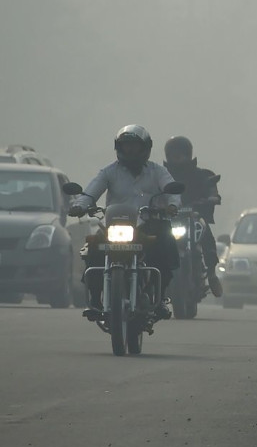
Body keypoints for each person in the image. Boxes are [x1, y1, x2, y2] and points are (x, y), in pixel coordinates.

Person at [69, 125, 180, 320]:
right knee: (93, 249)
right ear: (119, 147)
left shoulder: (158, 171)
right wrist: (79, 205)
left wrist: (172, 205)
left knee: (166, 245)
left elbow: (172, 191)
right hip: (115, 226)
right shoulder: (109, 172)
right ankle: (95, 299)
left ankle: (160, 297)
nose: (130, 150)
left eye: (135, 146)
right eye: (126, 146)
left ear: (145, 147)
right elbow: (90, 192)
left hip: (149, 225)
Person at [163, 136, 223, 297]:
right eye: (173, 155)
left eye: (180, 154)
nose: (177, 158)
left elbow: (212, 190)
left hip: (194, 217)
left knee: (206, 234)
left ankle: (211, 274)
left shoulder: (202, 175)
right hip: (168, 219)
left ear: (188, 155)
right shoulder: (161, 176)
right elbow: (148, 192)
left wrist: (212, 198)